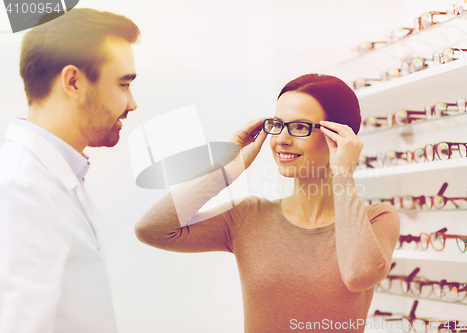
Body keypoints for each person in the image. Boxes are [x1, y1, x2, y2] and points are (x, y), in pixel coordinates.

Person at [134, 74, 400, 332]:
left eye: (299, 127)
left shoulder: (378, 219)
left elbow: (359, 275)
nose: (281, 140)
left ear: (339, 137)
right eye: (277, 125)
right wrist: (227, 168)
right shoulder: (248, 216)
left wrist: (343, 173)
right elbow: (153, 229)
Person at [0, 8, 140, 333]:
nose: (132, 103)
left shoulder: (54, 177)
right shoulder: (19, 187)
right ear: (73, 81)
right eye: (123, 84)